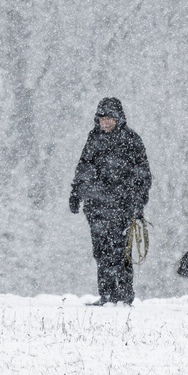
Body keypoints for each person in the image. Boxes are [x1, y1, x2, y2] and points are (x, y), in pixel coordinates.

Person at [69, 97, 151, 305]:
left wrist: (138, 203)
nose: (105, 122)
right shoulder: (94, 138)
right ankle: (106, 294)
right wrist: (76, 193)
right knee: (101, 252)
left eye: (109, 118)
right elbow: (84, 168)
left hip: (121, 207)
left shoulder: (131, 140)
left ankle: (124, 295)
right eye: (102, 118)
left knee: (120, 252)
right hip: (96, 207)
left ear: (118, 118)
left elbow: (142, 175)